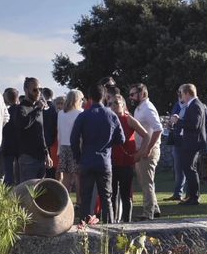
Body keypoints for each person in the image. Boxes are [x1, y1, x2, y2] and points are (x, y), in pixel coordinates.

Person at [70, 84, 125, 223]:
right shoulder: (111, 115)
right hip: (104, 161)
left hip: (87, 160)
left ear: (89, 99)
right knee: (106, 198)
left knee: (86, 198)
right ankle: (110, 228)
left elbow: (73, 139)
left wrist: (78, 157)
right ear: (104, 97)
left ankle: (84, 228)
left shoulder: (83, 116)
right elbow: (121, 139)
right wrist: (107, 144)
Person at [169, 83, 207, 206]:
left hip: (192, 143)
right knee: (188, 169)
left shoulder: (196, 105)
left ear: (187, 93)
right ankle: (191, 196)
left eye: (181, 93)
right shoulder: (192, 105)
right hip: (188, 142)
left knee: (190, 169)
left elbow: (194, 125)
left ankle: (194, 197)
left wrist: (178, 121)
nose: (181, 96)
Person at [109, 94, 149, 223]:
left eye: (116, 103)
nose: (113, 106)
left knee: (126, 194)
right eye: (110, 103)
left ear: (123, 105)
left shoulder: (128, 119)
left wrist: (140, 152)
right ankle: (113, 221)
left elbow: (146, 136)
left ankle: (127, 221)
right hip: (111, 162)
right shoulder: (108, 119)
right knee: (112, 194)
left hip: (126, 161)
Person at [130, 83, 163, 220]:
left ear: (142, 94)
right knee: (147, 181)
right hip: (142, 149)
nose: (130, 97)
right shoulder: (139, 108)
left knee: (146, 182)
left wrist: (147, 148)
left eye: (133, 94)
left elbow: (158, 129)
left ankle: (148, 213)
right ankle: (154, 209)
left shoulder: (148, 108)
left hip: (148, 150)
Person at [16, 77, 52, 182]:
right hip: (27, 157)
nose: (38, 92)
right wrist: (37, 110)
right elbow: (23, 124)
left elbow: (41, 133)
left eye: (40, 89)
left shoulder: (37, 108)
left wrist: (47, 154)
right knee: (28, 192)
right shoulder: (22, 108)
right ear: (26, 90)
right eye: (35, 90)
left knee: (40, 193)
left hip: (40, 157)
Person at [57, 89, 84, 205]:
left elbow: (59, 131)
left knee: (66, 177)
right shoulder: (80, 113)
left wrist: (59, 148)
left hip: (63, 146)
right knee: (78, 176)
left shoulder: (61, 113)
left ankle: (65, 202)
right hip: (76, 146)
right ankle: (79, 200)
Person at [165, 88, 187, 201]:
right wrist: (170, 124)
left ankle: (189, 194)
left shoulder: (190, 106)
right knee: (178, 168)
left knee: (187, 168)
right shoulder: (176, 105)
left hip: (187, 140)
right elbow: (172, 119)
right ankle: (178, 193)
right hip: (177, 140)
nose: (180, 96)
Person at [1, 87, 21, 185]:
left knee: (8, 173)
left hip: (8, 145)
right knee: (19, 173)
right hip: (20, 145)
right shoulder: (22, 110)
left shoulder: (6, 112)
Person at [42, 87, 59, 179]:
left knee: (45, 167)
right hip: (54, 140)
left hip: (43, 140)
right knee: (53, 167)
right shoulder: (55, 109)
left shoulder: (42, 109)